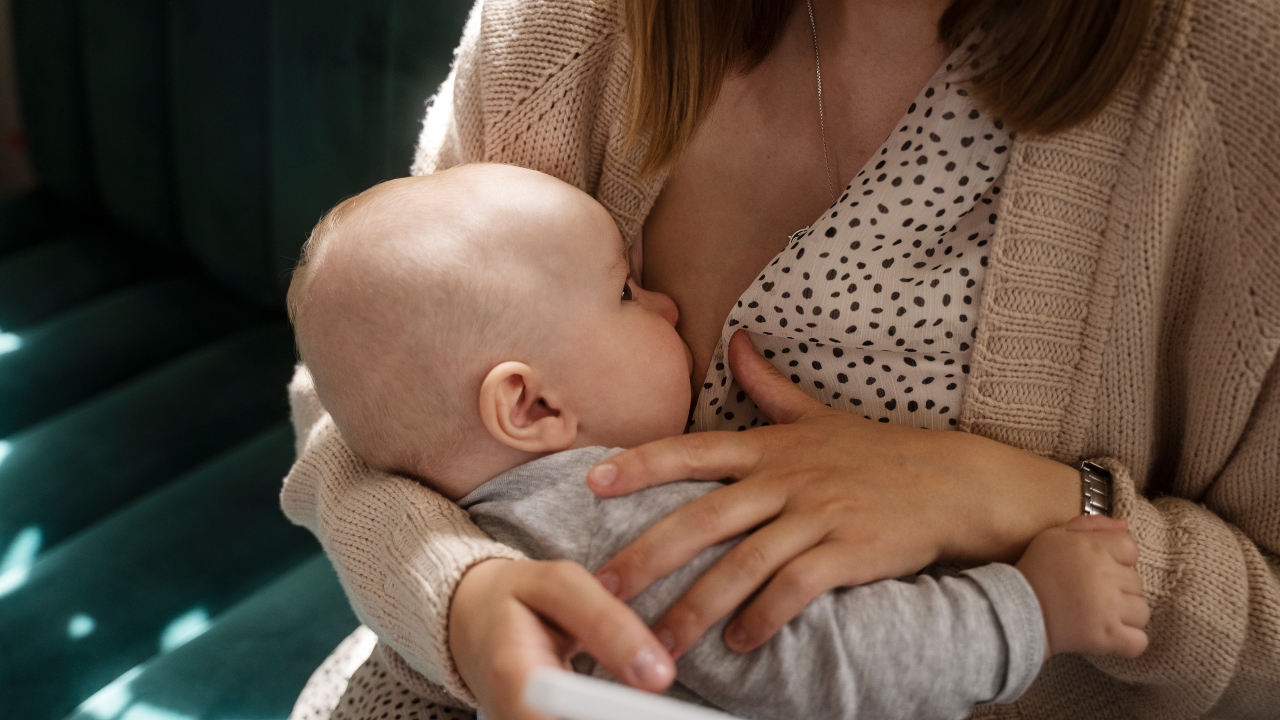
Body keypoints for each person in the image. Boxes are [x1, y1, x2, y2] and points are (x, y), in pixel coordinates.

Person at [283, 0, 1280, 718]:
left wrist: (1039, 505)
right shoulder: (565, 28)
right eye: (626, 292)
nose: (664, 309)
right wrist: (458, 601)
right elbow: (369, 395)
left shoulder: (1241, 81)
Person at [287, 163, 1147, 720]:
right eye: (626, 292)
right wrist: (1031, 610)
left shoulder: (470, 493)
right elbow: (831, 671)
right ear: (533, 405)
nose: (664, 307)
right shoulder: (625, 523)